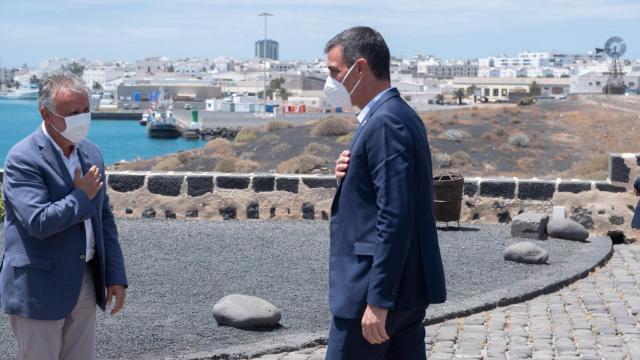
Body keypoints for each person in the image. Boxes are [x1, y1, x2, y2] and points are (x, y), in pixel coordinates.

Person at [325, 27, 446, 359]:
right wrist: (348, 179)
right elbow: (388, 194)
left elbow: (395, 214)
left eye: (334, 72)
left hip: (372, 294)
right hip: (403, 293)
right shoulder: (396, 115)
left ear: (360, 68)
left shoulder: (385, 122)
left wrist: (378, 299)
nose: (331, 82)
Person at [0, 72, 128, 360]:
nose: (82, 119)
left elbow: (104, 218)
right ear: (46, 113)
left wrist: (115, 275)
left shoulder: (91, 153)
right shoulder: (23, 158)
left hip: (83, 281)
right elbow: (39, 222)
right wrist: (81, 197)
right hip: (38, 287)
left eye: (86, 111)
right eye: (73, 113)